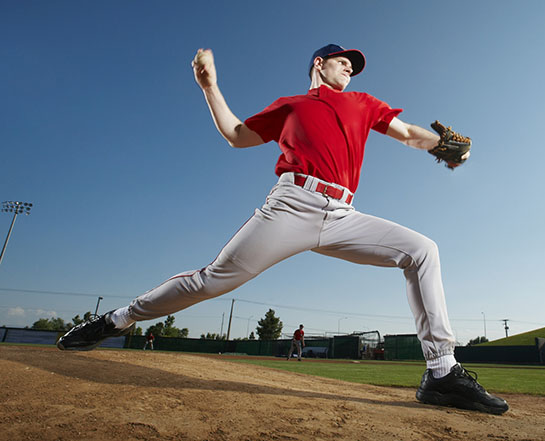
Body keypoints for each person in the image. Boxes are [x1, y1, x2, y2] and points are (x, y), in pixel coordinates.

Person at [57, 44, 508, 415]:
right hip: (291, 205)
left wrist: (447, 148)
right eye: (342, 60)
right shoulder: (291, 105)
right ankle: (116, 320)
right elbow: (236, 135)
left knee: (422, 250)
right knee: (212, 281)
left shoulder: (363, 103)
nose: (350, 66)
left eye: (354, 64)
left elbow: (409, 133)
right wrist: (210, 87)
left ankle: (442, 371)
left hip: (344, 215)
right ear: (319, 63)